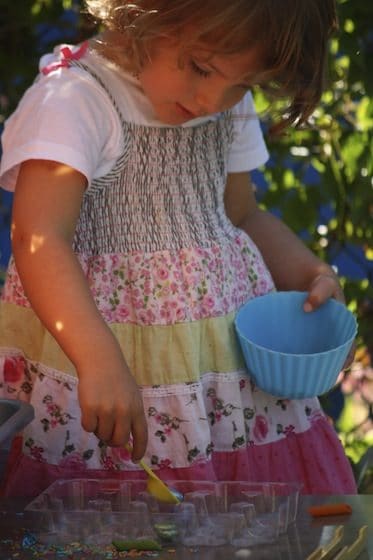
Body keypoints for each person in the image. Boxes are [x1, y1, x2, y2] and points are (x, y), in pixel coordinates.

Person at [0, 0, 356, 497]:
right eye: (201, 67)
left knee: (238, 519)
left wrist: (309, 272)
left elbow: (242, 214)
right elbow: (39, 238)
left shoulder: (223, 105)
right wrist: (97, 359)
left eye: (242, 84)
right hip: (108, 364)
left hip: (217, 377)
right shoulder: (75, 101)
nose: (215, 99)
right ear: (144, 15)